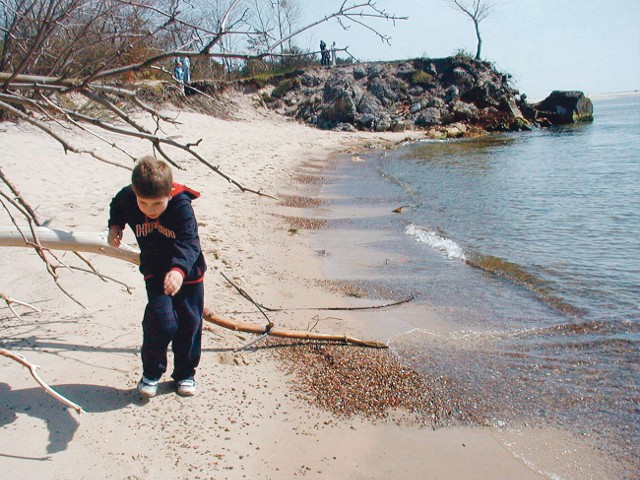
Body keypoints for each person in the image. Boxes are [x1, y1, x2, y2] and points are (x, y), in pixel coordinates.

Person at [108, 157, 207, 398]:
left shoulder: (181, 206)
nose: (149, 211)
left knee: (189, 324)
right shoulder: (129, 196)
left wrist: (178, 270)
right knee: (159, 321)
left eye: (156, 205)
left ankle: (185, 373)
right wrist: (115, 226)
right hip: (155, 272)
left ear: (169, 195)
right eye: (143, 203)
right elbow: (117, 204)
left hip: (188, 276)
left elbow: (189, 242)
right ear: (135, 192)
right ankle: (151, 373)